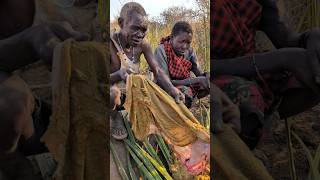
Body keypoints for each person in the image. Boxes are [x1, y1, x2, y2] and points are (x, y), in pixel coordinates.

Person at [0, 0, 93, 179]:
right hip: (32, 127)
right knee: (10, 104)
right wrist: (23, 43)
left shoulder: (97, 13)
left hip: (87, 119)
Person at [211, 0, 320, 149]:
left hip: (255, 68)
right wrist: (281, 59)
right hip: (211, 79)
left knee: (313, 69)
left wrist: (309, 37)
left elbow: (286, 38)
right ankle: (237, 154)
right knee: (245, 100)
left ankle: (263, 129)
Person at [110, 2, 185, 140]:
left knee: (156, 87)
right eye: (135, 28)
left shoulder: (143, 45)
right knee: (112, 93)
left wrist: (172, 89)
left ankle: (142, 117)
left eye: (143, 30)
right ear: (121, 23)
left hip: (133, 91)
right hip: (113, 94)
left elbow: (157, 70)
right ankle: (115, 118)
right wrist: (118, 74)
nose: (140, 34)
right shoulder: (109, 44)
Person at [154, 21, 209, 108]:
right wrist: (196, 80)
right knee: (184, 91)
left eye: (188, 43)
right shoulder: (161, 50)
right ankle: (176, 112)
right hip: (165, 89)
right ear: (172, 38)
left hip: (185, 87)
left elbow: (200, 74)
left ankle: (188, 106)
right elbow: (166, 82)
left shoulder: (190, 51)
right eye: (181, 41)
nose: (184, 46)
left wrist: (207, 76)